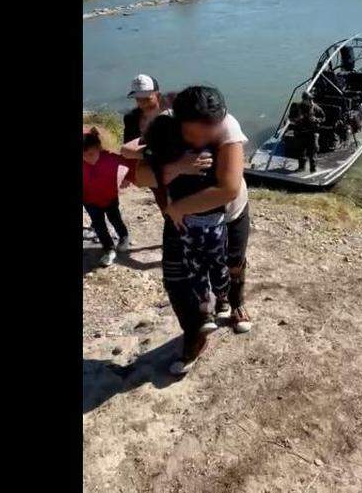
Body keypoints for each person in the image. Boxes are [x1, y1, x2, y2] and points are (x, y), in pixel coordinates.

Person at [130, 86, 254, 375]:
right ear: (179, 122)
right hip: (181, 221)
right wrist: (176, 168)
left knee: (233, 264)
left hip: (228, 215)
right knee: (176, 280)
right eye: (196, 133)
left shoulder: (227, 127)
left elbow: (227, 189)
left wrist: (177, 207)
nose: (205, 139)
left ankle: (234, 303)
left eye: (211, 132)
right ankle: (194, 335)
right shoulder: (165, 126)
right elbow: (141, 175)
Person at [121, 75, 171, 212]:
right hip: (150, 168)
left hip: (178, 166)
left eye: (147, 99)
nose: (143, 103)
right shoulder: (131, 118)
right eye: (138, 99)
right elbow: (128, 145)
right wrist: (128, 173)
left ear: (158, 95)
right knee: (163, 202)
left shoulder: (173, 113)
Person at [82, 127, 130, 267]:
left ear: (99, 148)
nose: (87, 158)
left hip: (110, 198)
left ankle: (124, 236)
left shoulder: (110, 158)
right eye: (83, 155)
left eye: (91, 154)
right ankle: (109, 250)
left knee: (115, 219)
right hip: (89, 201)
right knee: (99, 226)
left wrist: (128, 177)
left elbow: (129, 163)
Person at [288, 91, 325, 172]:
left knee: (313, 150)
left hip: (312, 133)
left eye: (312, 99)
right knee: (301, 151)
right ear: (304, 100)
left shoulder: (316, 108)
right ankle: (301, 167)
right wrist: (297, 119)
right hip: (300, 132)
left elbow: (323, 118)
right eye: (309, 100)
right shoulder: (296, 107)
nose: (311, 102)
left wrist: (316, 119)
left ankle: (313, 168)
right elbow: (290, 118)